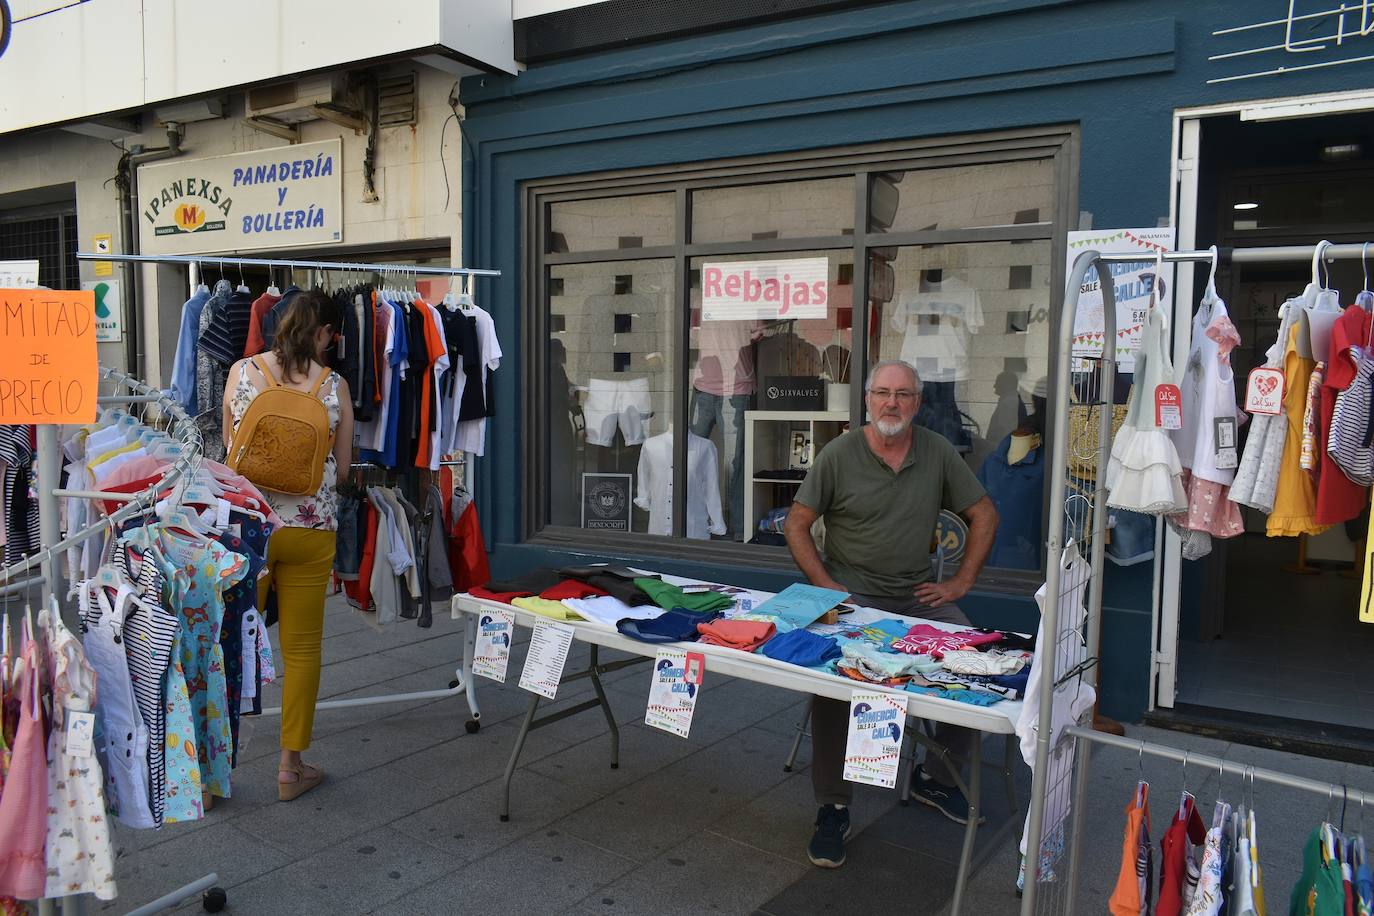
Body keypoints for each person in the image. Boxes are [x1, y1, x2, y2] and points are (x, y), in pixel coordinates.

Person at [784, 358, 999, 868]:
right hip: (853, 594)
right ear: (867, 399)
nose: (892, 403)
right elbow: (796, 523)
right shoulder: (839, 454)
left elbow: (984, 514)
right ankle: (834, 805)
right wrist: (827, 588)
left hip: (915, 595)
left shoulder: (936, 451)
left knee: (974, 667)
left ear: (918, 403)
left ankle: (935, 777)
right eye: (882, 392)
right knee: (839, 679)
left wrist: (960, 583)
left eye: (903, 395)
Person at [222, 289, 354, 802]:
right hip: (309, 528)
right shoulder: (334, 385)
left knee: (229, 645)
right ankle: (289, 768)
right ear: (321, 332)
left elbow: (230, 447)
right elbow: (341, 470)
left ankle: (213, 774)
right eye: (332, 335)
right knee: (300, 650)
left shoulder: (242, 371)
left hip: (247, 531)